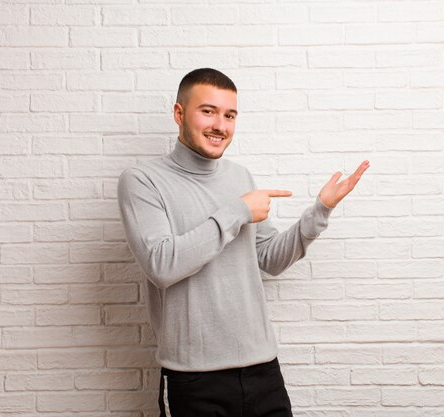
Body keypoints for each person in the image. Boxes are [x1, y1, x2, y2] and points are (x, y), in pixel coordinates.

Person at [117, 68, 369, 417]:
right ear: (179, 114)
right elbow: (161, 265)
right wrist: (236, 211)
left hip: (262, 367)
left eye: (229, 115)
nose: (220, 125)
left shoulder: (240, 176)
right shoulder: (142, 181)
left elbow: (269, 259)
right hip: (193, 378)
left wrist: (319, 212)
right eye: (208, 111)